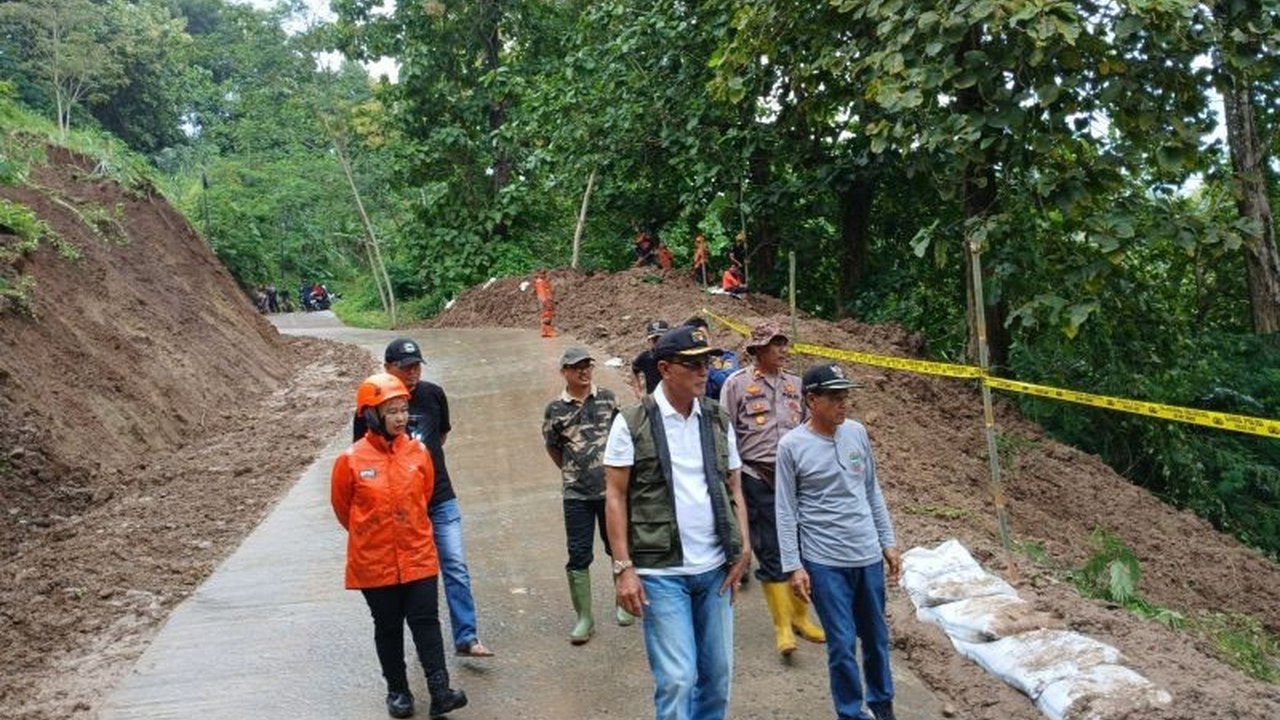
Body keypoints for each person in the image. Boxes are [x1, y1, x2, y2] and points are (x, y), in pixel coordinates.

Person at [604, 324, 752, 720]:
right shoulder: (632, 422)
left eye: (705, 362)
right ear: (666, 369)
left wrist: (743, 549)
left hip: (715, 570)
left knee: (717, 678)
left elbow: (734, 487)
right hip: (660, 573)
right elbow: (615, 497)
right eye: (692, 364)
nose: (704, 371)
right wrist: (623, 568)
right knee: (677, 679)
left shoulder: (717, 418)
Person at [332, 373, 468, 719]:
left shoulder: (419, 452)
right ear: (372, 415)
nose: (400, 417)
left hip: (417, 553)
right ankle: (398, 692)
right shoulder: (350, 461)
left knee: (426, 621)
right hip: (374, 562)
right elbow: (344, 510)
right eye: (391, 411)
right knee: (388, 626)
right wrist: (375, 535)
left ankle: (440, 691)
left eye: (403, 409)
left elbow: (424, 497)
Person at [354, 339, 495, 661]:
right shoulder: (368, 407)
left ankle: (467, 636)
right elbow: (362, 457)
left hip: (440, 497)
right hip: (400, 509)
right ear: (388, 368)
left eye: (417, 366)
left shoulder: (433, 395)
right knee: (410, 577)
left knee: (455, 565)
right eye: (405, 368)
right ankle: (420, 645)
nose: (413, 373)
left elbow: (439, 438)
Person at [775, 363, 901, 720]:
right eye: (834, 397)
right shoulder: (792, 447)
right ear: (811, 399)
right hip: (825, 562)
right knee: (842, 645)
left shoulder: (856, 433)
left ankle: (882, 705)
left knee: (876, 640)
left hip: (866, 556)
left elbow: (871, 489)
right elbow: (785, 510)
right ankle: (851, 712)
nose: (843, 403)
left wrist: (887, 541)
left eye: (845, 395)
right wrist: (793, 566)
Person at [719, 322, 823, 656]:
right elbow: (725, 431)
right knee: (770, 549)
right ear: (757, 350)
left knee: (801, 546)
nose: (781, 349)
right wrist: (730, 475)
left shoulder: (797, 384)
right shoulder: (737, 384)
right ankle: (782, 626)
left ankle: (801, 617)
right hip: (755, 475)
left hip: (795, 477)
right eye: (774, 344)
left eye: (783, 343)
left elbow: (810, 428)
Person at [542, 347, 633, 644]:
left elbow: (623, 437)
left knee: (617, 548)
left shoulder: (608, 398)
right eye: (576, 367)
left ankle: (624, 604)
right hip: (576, 494)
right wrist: (573, 471)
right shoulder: (555, 409)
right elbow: (554, 447)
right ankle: (584, 618)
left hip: (612, 492)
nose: (583, 371)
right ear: (564, 372)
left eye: (587, 366)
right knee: (579, 554)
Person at [630, 319, 669, 397]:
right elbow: (634, 370)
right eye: (655, 340)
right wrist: (638, 391)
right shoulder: (645, 358)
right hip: (654, 400)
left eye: (661, 339)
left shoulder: (675, 356)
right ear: (649, 340)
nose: (658, 343)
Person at [534, 269, 557, 337]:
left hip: (545, 300)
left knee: (545, 315)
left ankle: (544, 331)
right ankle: (548, 331)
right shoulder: (541, 283)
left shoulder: (540, 282)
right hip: (545, 300)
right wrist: (546, 301)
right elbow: (542, 293)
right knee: (547, 315)